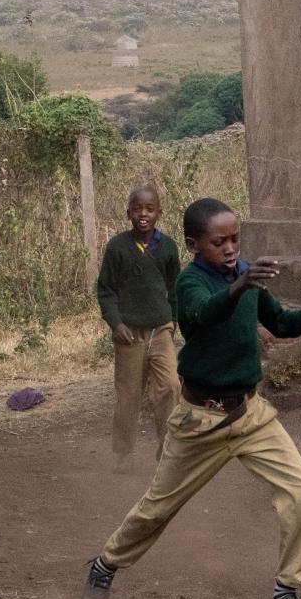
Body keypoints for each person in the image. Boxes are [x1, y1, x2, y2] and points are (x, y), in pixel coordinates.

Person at [81, 198, 301, 599]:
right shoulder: (189, 283)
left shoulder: (246, 276)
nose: (230, 249)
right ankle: (105, 566)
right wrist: (239, 286)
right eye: (218, 242)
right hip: (199, 420)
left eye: (235, 240)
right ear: (194, 245)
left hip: (249, 414)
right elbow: (201, 316)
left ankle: (286, 592)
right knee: (159, 506)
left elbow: (280, 322)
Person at [95, 185, 182, 470]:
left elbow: (175, 288)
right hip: (129, 334)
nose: (143, 214)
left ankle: (167, 451)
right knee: (129, 395)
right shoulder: (117, 247)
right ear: (128, 212)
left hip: (161, 330)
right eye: (137, 209)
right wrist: (116, 323)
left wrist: (174, 321)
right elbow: (105, 290)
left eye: (149, 209)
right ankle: (123, 453)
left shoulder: (168, 247)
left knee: (170, 386)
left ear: (159, 212)